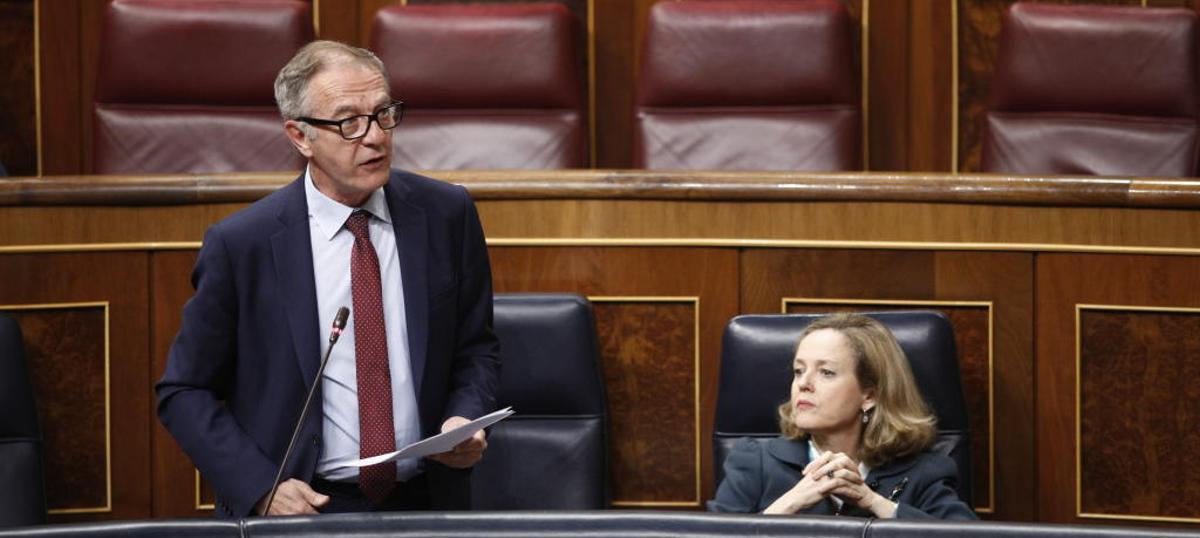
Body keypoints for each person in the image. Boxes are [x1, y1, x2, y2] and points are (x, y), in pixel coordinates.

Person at [156, 40, 500, 518]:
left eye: (383, 114)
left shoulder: (446, 214)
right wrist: (260, 487)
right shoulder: (242, 245)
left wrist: (462, 417)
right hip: (305, 507)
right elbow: (184, 391)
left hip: (427, 501)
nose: (376, 137)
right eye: (349, 122)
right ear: (300, 137)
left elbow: (475, 348)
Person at [709, 313, 976, 519]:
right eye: (799, 371)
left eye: (826, 372)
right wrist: (788, 504)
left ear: (870, 395)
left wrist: (874, 503)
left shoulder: (924, 471)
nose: (804, 384)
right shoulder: (755, 461)